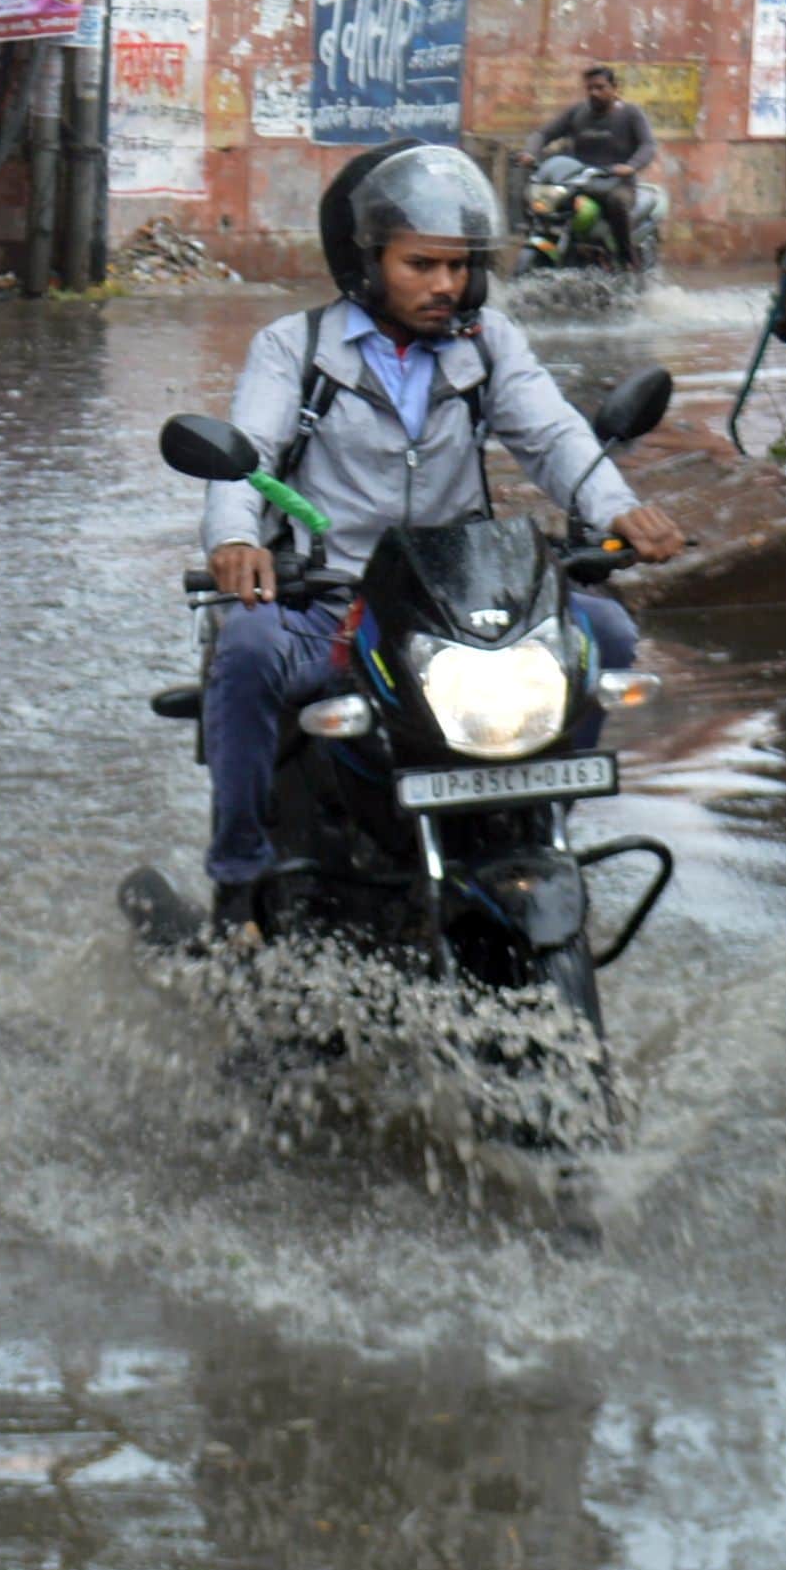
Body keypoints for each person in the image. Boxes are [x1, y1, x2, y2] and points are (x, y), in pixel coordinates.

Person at [199, 141, 684, 931]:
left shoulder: (486, 341)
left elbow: (554, 435)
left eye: (458, 266)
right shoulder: (295, 347)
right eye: (420, 265)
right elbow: (244, 458)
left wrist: (615, 508)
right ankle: (238, 879)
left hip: (458, 609)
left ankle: (538, 822)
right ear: (364, 261)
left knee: (607, 635)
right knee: (247, 653)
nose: (444, 285)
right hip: (333, 602)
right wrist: (234, 540)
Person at [513, 66, 657, 270]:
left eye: (600, 87)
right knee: (537, 195)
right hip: (579, 182)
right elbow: (543, 134)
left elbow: (648, 145)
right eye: (589, 88)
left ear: (614, 88)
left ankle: (627, 260)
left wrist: (630, 167)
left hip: (616, 183)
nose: (594, 93)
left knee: (617, 202)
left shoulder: (630, 114)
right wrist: (530, 153)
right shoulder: (578, 113)